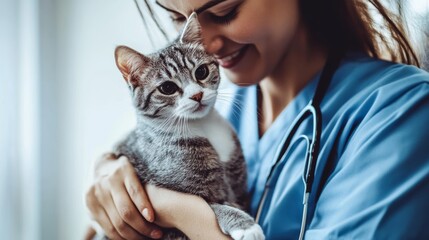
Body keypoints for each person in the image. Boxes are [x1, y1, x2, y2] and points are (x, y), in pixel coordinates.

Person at [85, 0, 429, 239]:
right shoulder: (223, 97)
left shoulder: (403, 110)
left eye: (225, 11)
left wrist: (173, 210)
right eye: (179, 18)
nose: (205, 43)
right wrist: (107, 171)